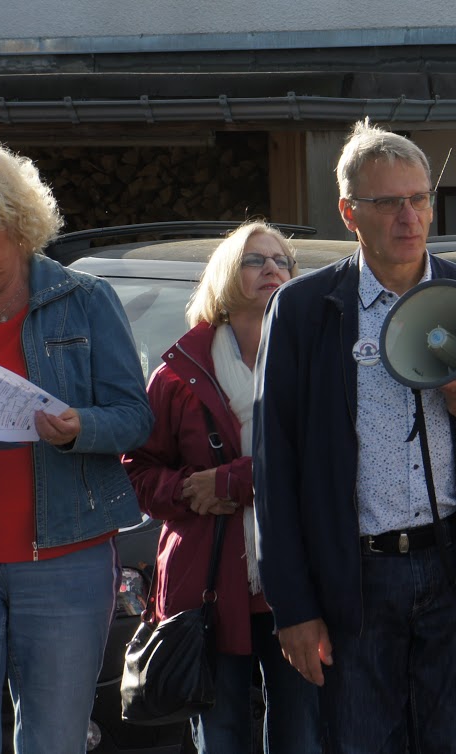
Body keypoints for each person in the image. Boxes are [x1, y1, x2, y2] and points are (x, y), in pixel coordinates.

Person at [254, 119, 456, 753]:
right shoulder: (303, 310)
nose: (408, 218)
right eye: (387, 203)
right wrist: (294, 607)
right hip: (353, 580)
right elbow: (275, 471)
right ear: (348, 213)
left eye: (418, 199)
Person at [0, 141, 154, 753]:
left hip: (67, 557)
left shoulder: (87, 300)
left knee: (56, 739)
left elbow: (135, 418)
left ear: (20, 224)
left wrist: (80, 428)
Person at [123, 221, 320, 753]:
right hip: (205, 583)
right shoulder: (179, 372)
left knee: (301, 735)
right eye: (255, 260)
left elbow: (327, 464)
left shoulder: (316, 361)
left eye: (282, 261)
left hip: (298, 577)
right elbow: (138, 471)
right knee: (220, 736)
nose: (273, 268)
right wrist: (189, 489)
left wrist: (233, 481)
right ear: (225, 277)